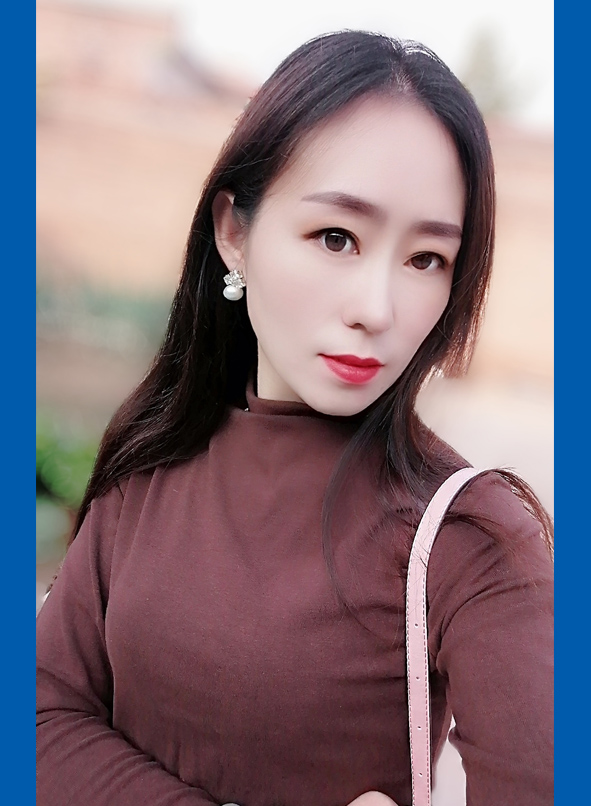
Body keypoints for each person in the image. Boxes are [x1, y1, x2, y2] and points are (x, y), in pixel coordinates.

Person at [36, 30, 553, 806]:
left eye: (425, 259)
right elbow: (40, 716)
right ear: (233, 232)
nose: (377, 309)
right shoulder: (151, 458)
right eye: (335, 237)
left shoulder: (471, 537)